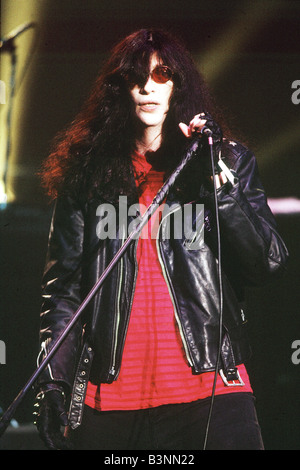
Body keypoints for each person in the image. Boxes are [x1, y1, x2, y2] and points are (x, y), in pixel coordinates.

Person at [33, 28, 288, 450]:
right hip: (107, 403)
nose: (148, 86)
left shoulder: (225, 161)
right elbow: (63, 293)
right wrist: (53, 383)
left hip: (210, 393)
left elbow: (266, 262)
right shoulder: (88, 176)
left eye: (162, 74)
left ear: (179, 85)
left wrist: (214, 181)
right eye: (136, 77)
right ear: (121, 89)